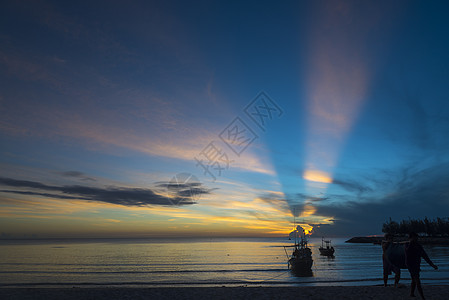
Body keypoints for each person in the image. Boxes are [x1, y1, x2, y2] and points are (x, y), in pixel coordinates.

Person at [405, 232, 438, 299]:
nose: (416, 239)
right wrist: (411, 243)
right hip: (410, 265)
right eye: (415, 237)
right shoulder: (407, 244)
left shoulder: (419, 246)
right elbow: (407, 252)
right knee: (417, 280)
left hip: (417, 265)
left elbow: (425, 256)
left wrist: (432, 265)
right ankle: (422, 297)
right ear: (411, 238)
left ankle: (412, 293)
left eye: (417, 237)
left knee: (414, 279)